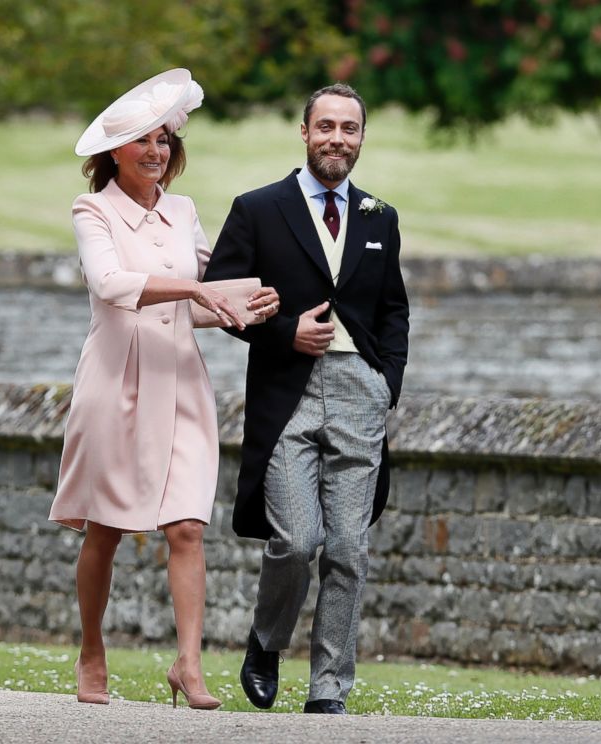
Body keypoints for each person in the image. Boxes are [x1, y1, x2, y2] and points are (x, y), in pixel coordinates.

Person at [47, 68, 280, 710]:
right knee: (106, 530)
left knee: (187, 528)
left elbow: (203, 300)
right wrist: (198, 289)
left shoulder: (183, 212)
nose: (156, 152)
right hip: (115, 382)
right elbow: (111, 282)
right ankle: (92, 651)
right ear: (113, 153)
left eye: (165, 142)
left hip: (180, 381)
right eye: (143, 142)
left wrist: (256, 303)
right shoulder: (92, 208)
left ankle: (190, 666)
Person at [203, 83, 409, 715]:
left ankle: (328, 689)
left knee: (349, 547)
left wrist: (386, 383)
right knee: (295, 540)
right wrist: (284, 329)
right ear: (304, 132)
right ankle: (266, 643)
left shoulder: (380, 217)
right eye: (326, 127)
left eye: (349, 129)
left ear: (362, 138)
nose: (336, 139)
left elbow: (394, 310)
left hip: (359, 392)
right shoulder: (258, 209)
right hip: (286, 393)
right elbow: (216, 298)